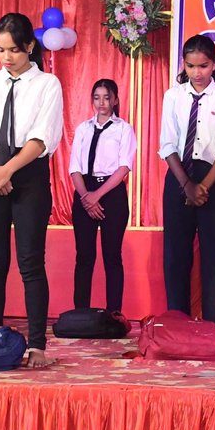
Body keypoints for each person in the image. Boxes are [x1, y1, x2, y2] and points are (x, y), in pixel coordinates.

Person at [0, 12, 64, 366]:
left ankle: (37, 344)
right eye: (0, 50)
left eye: (14, 50)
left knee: (30, 263)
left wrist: (8, 170)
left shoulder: (48, 84)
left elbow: (43, 137)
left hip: (28, 176)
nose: (6, 57)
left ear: (30, 47)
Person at [159, 34, 215, 323]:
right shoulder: (173, 96)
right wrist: (187, 185)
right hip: (179, 175)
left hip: (214, 178)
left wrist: (203, 186)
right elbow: (167, 144)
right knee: (175, 254)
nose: (197, 73)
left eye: (203, 66)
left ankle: (211, 324)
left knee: (213, 254)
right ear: (184, 64)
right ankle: (177, 322)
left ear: (214, 64)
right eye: (191, 66)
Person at [69, 79, 135, 315]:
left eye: (107, 97)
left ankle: (114, 314)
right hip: (84, 192)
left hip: (111, 193)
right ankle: (80, 313)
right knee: (84, 257)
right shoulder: (83, 129)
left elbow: (124, 167)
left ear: (115, 100)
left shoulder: (123, 129)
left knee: (112, 256)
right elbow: (74, 167)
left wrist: (97, 195)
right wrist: (87, 197)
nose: (102, 103)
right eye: (97, 97)